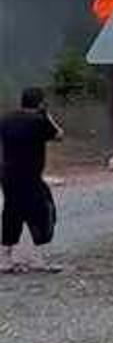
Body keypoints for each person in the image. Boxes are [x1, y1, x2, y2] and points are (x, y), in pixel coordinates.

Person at [0, 87, 65, 274]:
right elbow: (59, 135)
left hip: (8, 174)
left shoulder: (6, 119)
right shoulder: (39, 121)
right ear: (40, 103)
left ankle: (5, 258)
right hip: (30, 176)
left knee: (12, 212)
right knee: (42, 212)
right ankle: (36, 258)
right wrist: (47, 115)